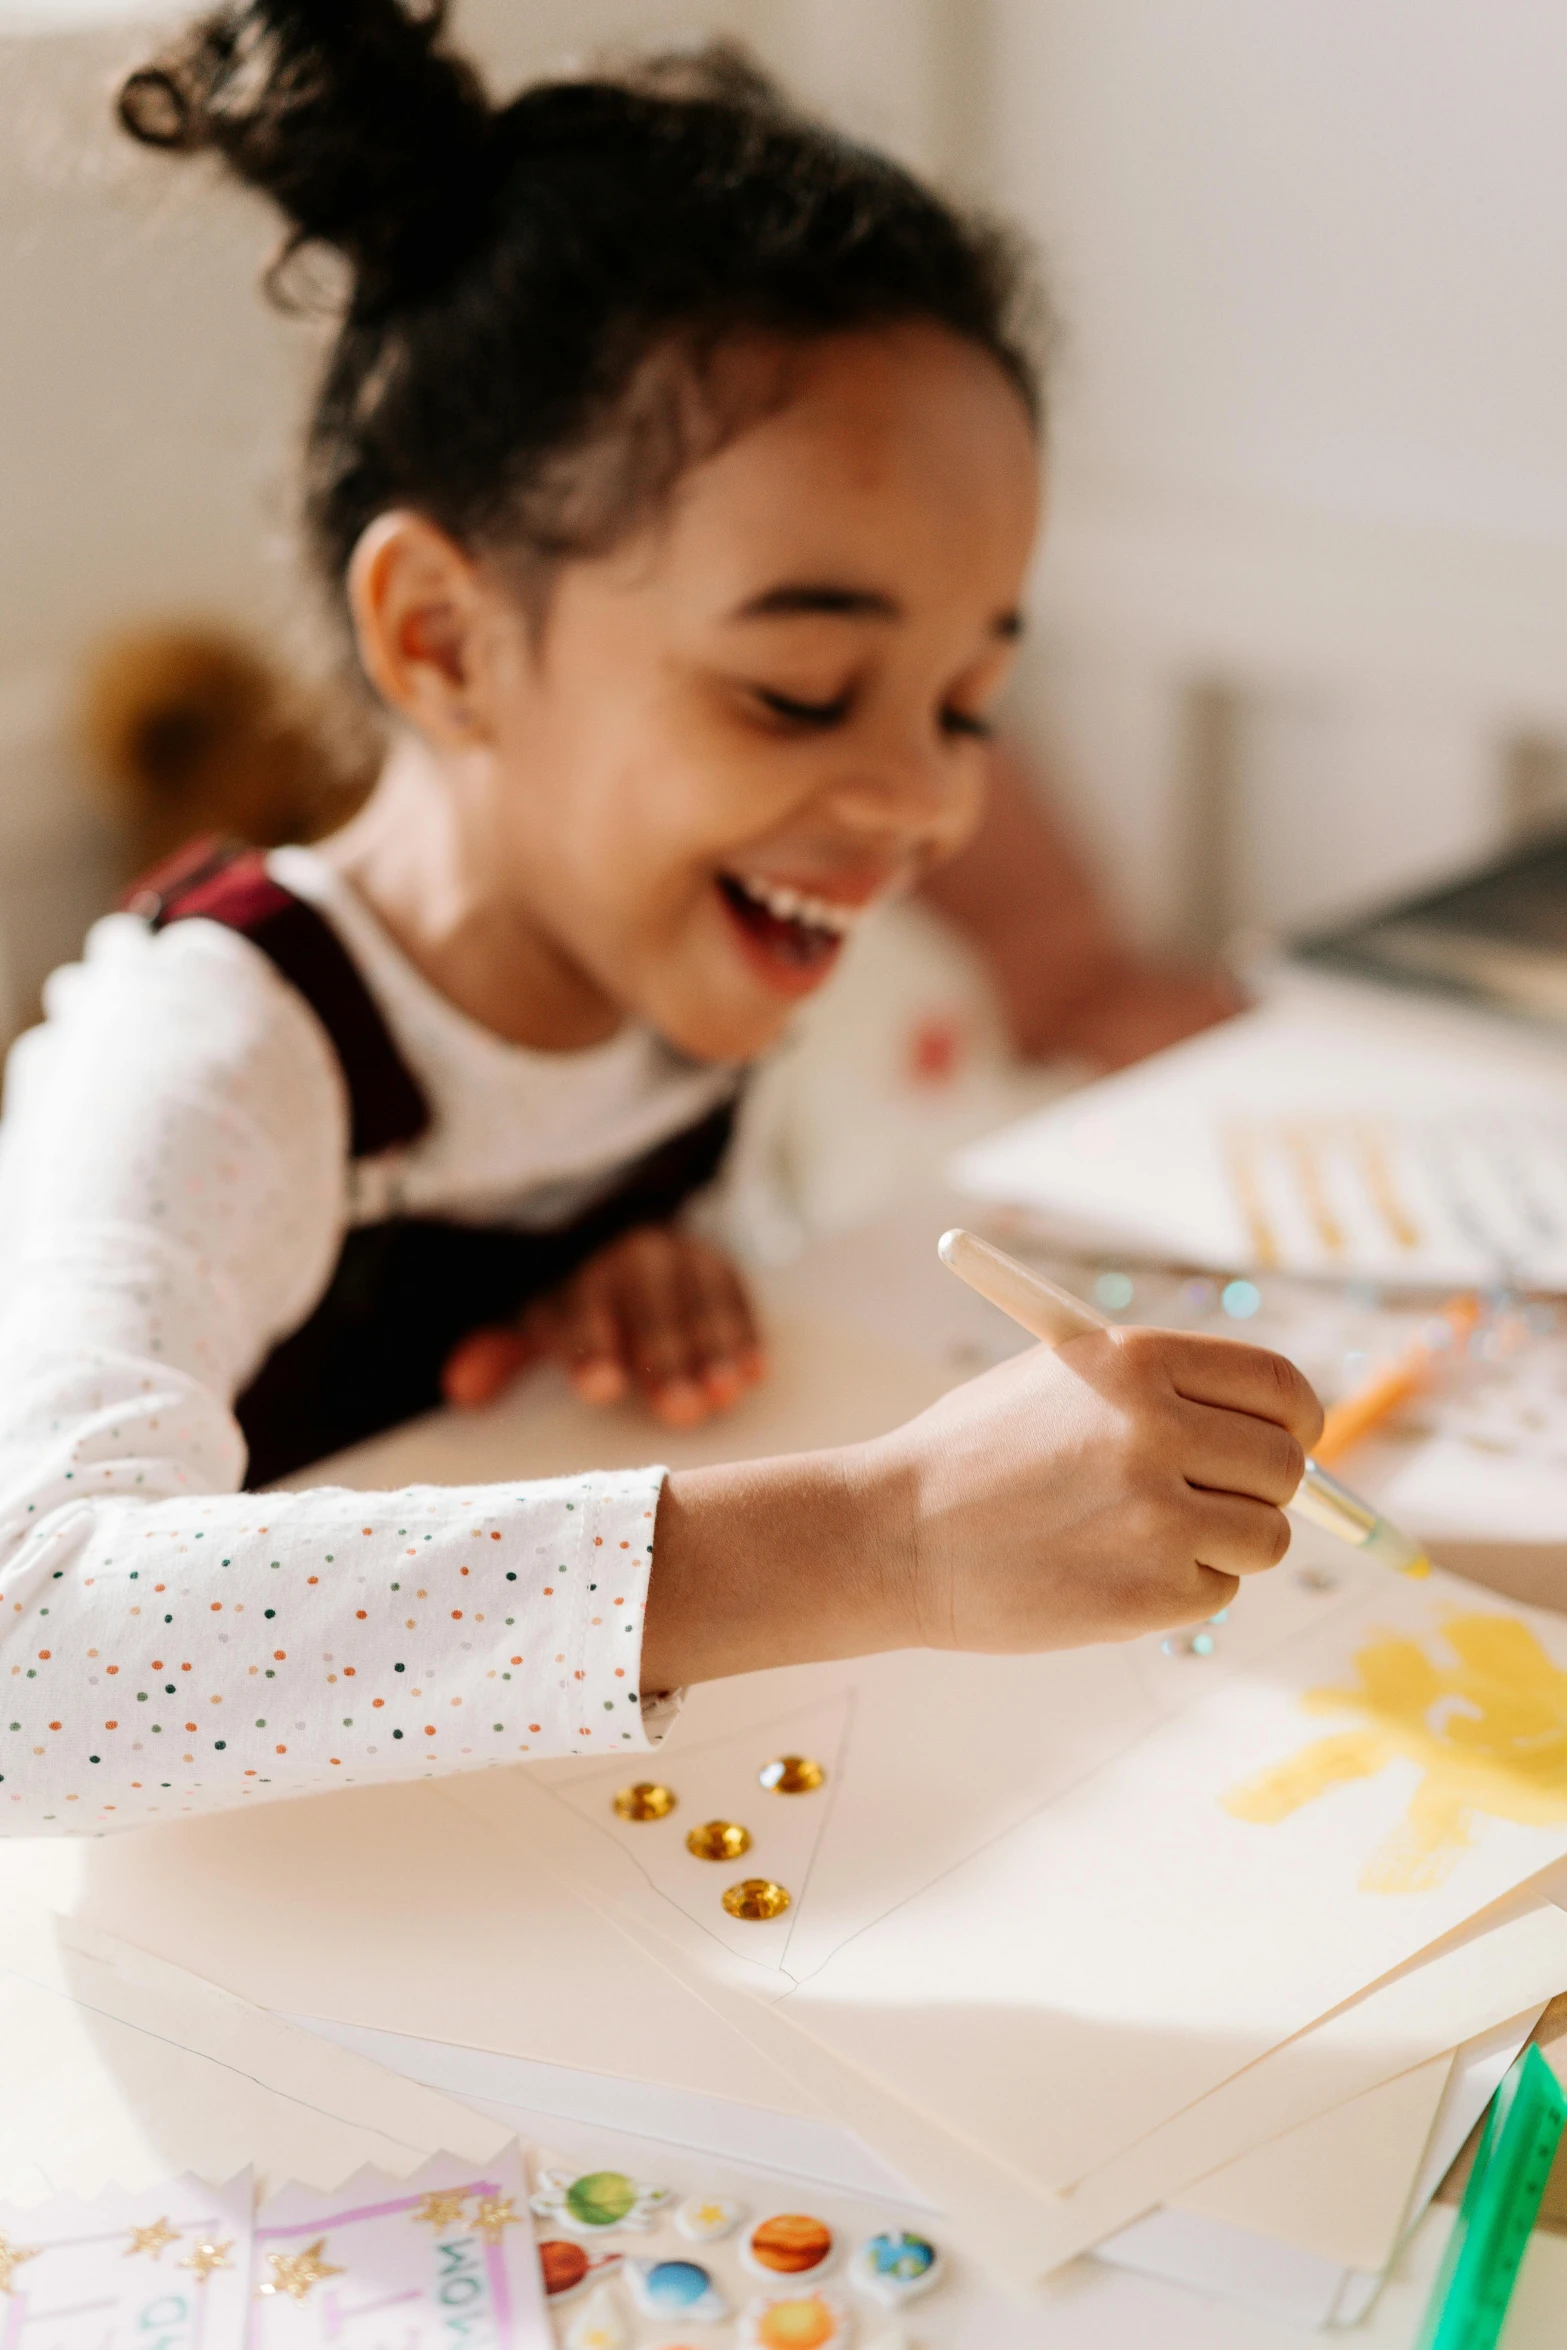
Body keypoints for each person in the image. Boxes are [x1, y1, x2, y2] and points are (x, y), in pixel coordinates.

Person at [0, 3, 1319, 1835]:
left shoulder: (673, 954)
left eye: (962, 704)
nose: (925, 805)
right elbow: (31, 1658)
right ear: (446, 641)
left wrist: (633, 1274)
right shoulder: (219, 1046)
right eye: (797, 693)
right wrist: (887, 1535)